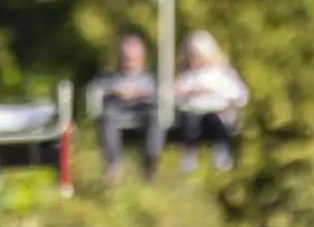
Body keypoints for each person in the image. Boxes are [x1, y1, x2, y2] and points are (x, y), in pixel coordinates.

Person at [86, 32, 164, 185]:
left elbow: (162, 97)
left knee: (158, 115)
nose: (129, 62)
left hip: (143, 115)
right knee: (106, 116)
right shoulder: (108, 78)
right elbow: (94, 92)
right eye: (126, 57)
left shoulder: (150, 79)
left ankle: (149, 163)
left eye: (133, 58)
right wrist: (114, 91)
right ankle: (114, 164)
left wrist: (139, 94)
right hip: (117, 116)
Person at [169, 30, 249, 171]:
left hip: (216, 112)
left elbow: (240, 95)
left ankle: (221, 151)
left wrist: (215, 93)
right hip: (191, 113)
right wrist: (186, 93)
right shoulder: (186, 75)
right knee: (190, 121)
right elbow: (173, 96)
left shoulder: (222, 73)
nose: (195, 60)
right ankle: (189, 154)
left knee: (215, 120)